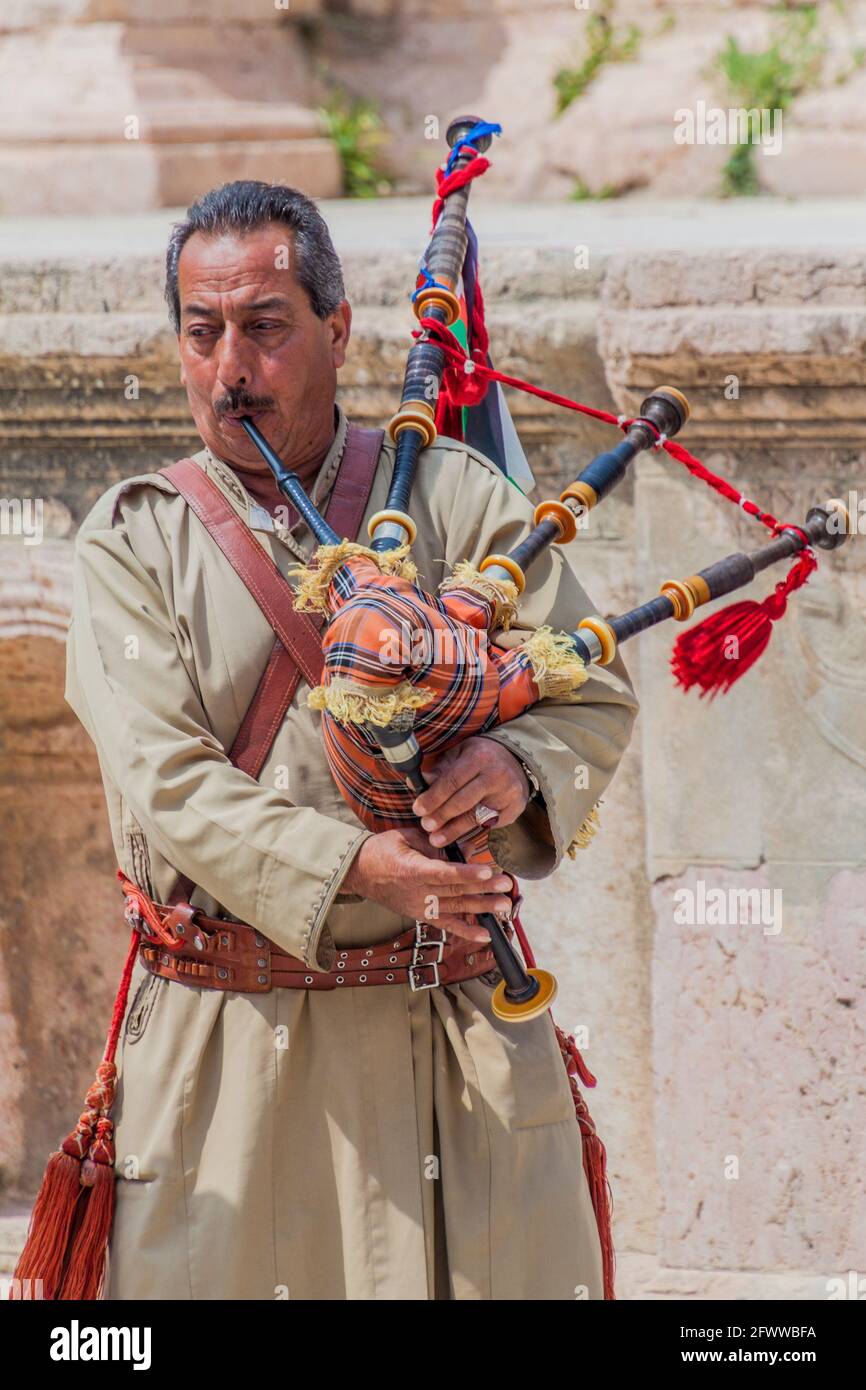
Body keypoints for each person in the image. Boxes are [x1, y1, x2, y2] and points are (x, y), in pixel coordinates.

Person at [61, 180, 638, 1299]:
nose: (230, 366)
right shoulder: (133, 543)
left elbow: (592, 681)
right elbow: (168, 782)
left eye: (265, 328)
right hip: (232, 1060)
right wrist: (360, 868)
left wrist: (514, 768)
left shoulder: (459, 501)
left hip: (454, 1035)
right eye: (201, 331)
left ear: (337, 330)